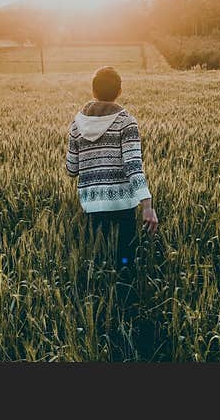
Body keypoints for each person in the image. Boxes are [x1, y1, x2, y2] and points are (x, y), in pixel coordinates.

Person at [65, 66, 159, 272]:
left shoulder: (76, 125)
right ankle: (125, 299)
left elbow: (71, 170)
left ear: (93, 91)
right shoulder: (126, 122)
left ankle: (99, 292)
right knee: (124, 261)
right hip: (122, 204)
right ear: (119, 92)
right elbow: (133, 166)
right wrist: (147, 205)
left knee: (98, 261)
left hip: (92, 205)